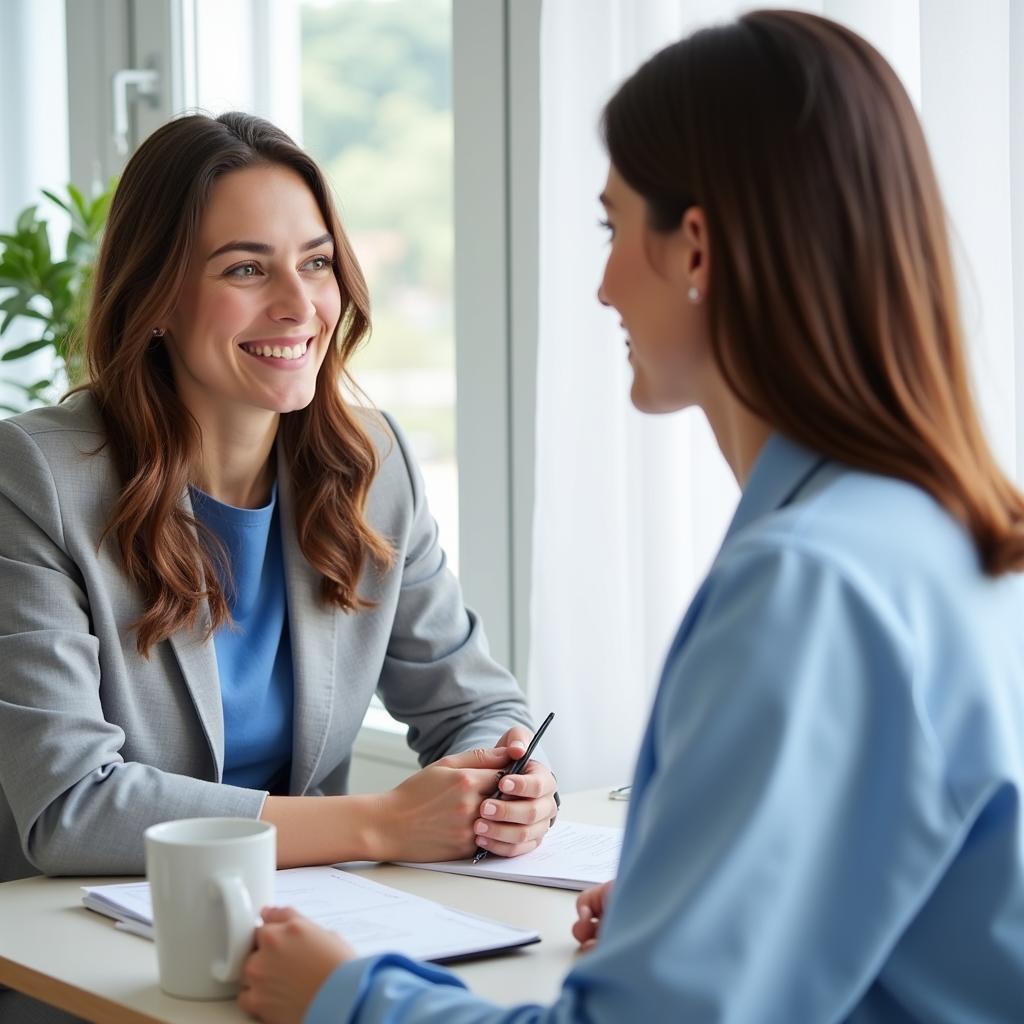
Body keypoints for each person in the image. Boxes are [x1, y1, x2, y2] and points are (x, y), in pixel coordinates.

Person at [236, 9, 1024, 1023]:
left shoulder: (809, 582)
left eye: (613, 229)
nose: (603, 284)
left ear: (695, 246)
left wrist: (347, 997)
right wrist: (687, 914)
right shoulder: (942, 529)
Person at [0, 113, 557, 1021]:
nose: (299, 307)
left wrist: (504, 785)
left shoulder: (370, 464)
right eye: (245, 268)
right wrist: (380, 823)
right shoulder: (37, 478)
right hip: (74, 963)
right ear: (158, 299)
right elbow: (70, 806)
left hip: (294, 935)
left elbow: (474, 703)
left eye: (317, 261)